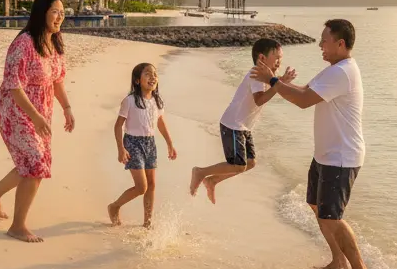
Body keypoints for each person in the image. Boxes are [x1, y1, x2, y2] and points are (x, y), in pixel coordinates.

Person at [251, 18, 373, 269]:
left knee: (332, 216)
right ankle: (338, 259)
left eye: (324, 40)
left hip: (342, 156)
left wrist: (271, 80)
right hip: (325, 154)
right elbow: (303, 92)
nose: (320, 45)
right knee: (317, 206)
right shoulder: (333, 69)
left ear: (340, 44)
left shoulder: (342, 72)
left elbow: (304, 102)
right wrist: (277, 81)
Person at [0, 0, 74, 242]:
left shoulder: (55, 44)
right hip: (15, 108)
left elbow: (57, 81)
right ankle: (18, 226)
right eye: (55, 11)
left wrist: (66, 108)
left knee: (35, 164)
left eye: (62, 13)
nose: (60, 17)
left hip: (41, 111)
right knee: (35, 163)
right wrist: (34, 117)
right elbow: (13, 85)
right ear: (42, 13)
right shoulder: (23, 43)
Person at [189, 37, 296, 204]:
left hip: (244, 127)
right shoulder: (256, 74)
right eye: (277, 58)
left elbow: (274, 87)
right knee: (239, 165)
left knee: (251, 163)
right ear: (262, 58)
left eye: (281, 59)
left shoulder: (269, 76)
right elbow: (259, 99)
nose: (279, 62)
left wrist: (281, 81)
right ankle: (201, 172)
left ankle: (212, 180)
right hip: (233, 125)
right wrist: (278, 84)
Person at [108, 63, 177, 228]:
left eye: (154, 74)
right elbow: (118, 125)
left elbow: (160, 122)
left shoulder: (157, 101)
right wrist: (121, 149)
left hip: (150, 143)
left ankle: (147, 222)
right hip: (132, 143)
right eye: (147, 74)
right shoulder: (130, 100)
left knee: (152, 185)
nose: (152, 77)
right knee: (141, 187)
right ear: (138, 80)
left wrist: (170, 143)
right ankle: (115, 206)